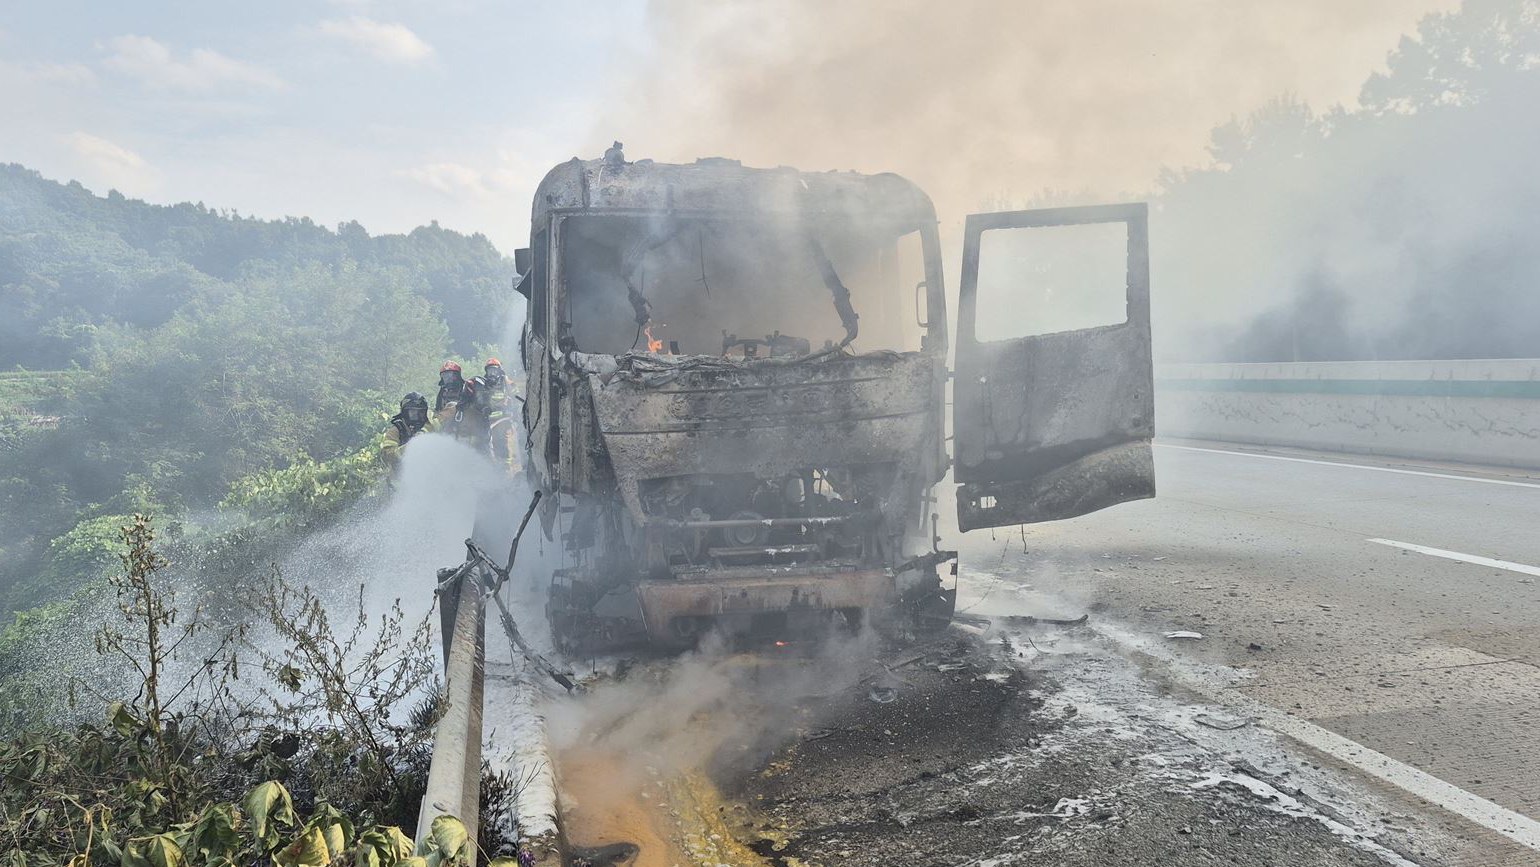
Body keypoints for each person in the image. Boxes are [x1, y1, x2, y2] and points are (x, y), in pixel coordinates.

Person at [380, 392, 432, 472]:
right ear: (405, 413)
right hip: (399, 481)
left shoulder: (429, 428)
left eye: (421, 413)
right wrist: (411, 446)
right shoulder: (396, 431)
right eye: (413, 413)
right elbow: (387, 456)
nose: (418, 417)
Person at [482, 358, 518, 469]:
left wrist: (513, 410)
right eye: (490, 370)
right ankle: (493, 468)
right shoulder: (483, 384)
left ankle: (506, 469)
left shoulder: (505, 382)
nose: (492, 373)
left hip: (503, 418)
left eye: (494, 370)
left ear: (500, 371)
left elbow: (515, 397)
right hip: (489, 421)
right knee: (486, 444)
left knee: (502, 442)